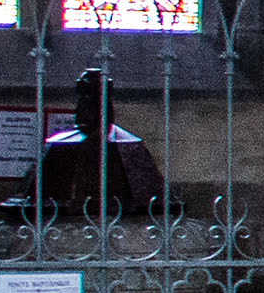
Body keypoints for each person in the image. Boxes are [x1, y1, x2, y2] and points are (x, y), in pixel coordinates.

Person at [36, 67, 166, 218]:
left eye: (91, 96)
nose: (87, 103)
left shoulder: (125, 144)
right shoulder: (61, 145)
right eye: (84, 96)